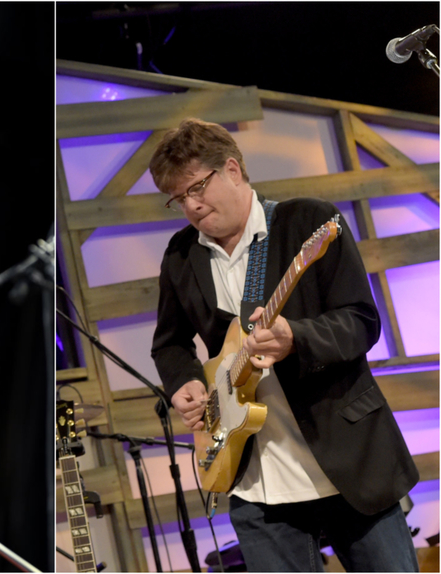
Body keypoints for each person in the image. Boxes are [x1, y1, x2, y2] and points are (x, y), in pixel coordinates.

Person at [149, 118, 419, 571]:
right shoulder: (180, 255)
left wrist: (297, 338)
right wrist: (184, 383)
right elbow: (169, 344)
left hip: (348, 460)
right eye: (178, 199)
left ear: (232, 169)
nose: (191, 206)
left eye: (196, 188)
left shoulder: (309, 221)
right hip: (254, 479)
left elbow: (360, 321)